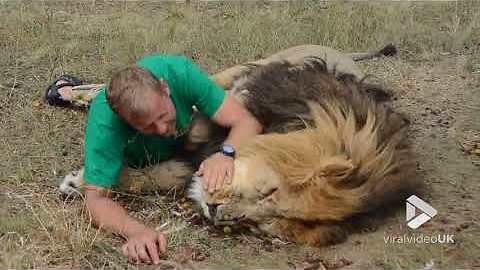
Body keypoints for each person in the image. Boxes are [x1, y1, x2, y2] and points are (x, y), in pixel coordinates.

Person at [46, 54, 262, 264]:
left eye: (162, 116)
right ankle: (71, 90)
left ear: (165, 88)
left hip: (187, 132)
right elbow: (94, 200)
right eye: (147, 125)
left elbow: (247, 121)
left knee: (203, 128)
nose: (161, 129)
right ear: (123, 120)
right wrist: (135, 231)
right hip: (146, 157)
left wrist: (226, 153)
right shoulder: (107, 123)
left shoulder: (179, 72)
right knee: (83, 98)